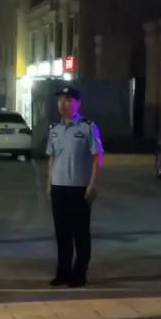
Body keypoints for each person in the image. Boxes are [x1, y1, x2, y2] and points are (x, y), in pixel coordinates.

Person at [45, 87, 104, 288]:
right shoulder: (54, 128)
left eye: (68, 100)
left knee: (80, 234)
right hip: (59, 187)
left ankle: (79, 274)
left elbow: (97, 157)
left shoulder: (88, 127)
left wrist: (92, 184)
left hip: (80, 188)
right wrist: (49, 183)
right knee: (62, 234)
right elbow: (52, 157)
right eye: (60, 100)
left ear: (78, 103)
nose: (63, 104)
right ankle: (63, 272)